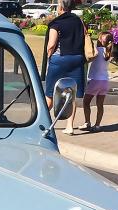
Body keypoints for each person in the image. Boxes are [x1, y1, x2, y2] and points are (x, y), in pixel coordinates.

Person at [44, 0, 86, 135]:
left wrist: (49, 57)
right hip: (77, 59)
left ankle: (44, 121)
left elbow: (51, 45)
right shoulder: (78, 21)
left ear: (60, 7)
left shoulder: (56, 23)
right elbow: (85, 35)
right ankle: (70, 126)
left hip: (60, 59)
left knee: (50, 93)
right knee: (72, 93)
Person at [83, 32, 111, 131]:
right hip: (105, 81)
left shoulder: (96, 51)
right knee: (100, 105)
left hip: (95, 80)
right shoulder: (109, 52)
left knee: (86, 102)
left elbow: (88, 54)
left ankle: (87, 122)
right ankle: (97, 125)